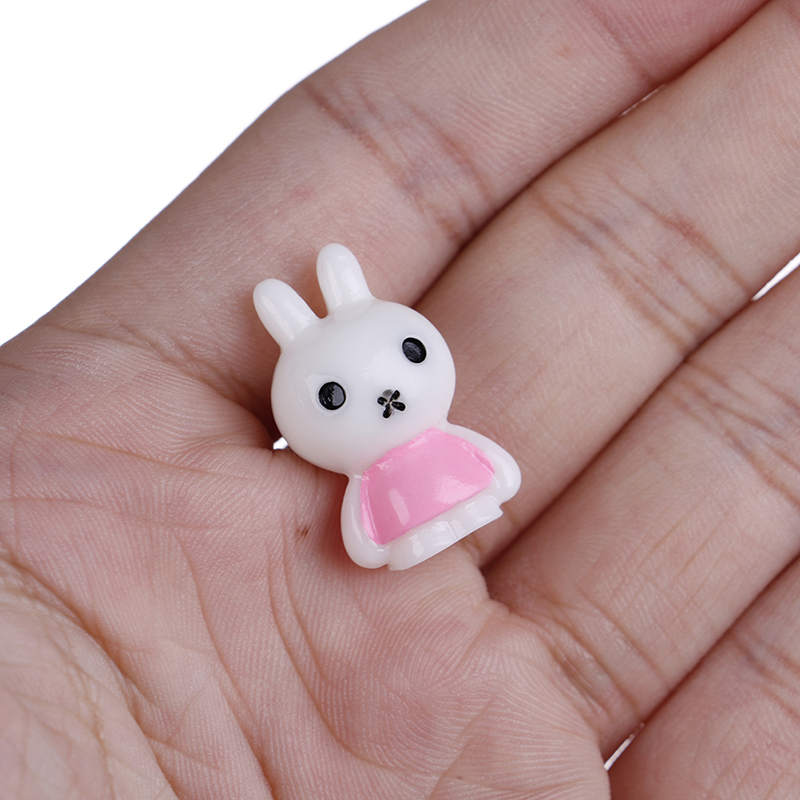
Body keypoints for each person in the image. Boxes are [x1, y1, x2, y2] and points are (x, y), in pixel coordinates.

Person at [2, 0, 799, 796]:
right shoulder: (360, 478)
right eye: (335, 396)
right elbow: (363, 535)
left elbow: (493, 473)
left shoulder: (442, 440)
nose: (382, 398)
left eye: (407, 356)